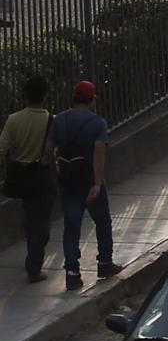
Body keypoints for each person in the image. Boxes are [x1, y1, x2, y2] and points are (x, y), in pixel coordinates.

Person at [48, 79, 114, 291]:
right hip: (88, 180)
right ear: (92, 99)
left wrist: (56, 172)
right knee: (102, 221)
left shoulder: (59, 120)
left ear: (74, 98)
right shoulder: (98, 123)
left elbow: (49, 150)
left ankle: (72, 273)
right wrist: (96, 182)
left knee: (71, 225)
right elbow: (99, 152)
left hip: (68, 181)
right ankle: (104, 263)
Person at [1, 82, 51, 282]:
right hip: (42, 175)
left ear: (24, 96)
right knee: (41, 220)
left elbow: (2, 148)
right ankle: (34, 265)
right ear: (44, 96)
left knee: (30, 215)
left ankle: (32, 251)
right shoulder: (49, 120)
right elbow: (51, 150)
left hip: (21, 176)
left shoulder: (13, 120)